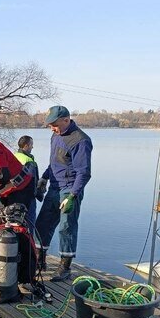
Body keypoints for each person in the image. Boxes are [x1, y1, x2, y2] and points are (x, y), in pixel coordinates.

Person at [35, 106, 93, 281]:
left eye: (54, 124)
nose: (52, 128)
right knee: (42, 225)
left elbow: (84, 173)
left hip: (69, 189)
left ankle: (65, 268)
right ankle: (39, 261)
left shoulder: (81, 141)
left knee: (66, 227)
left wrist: (73, 196)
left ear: (66, 120)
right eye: (50, 125)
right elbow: (54, 161)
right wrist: (44, 178)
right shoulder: (56, 136)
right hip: (54, 186)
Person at [14, 135, 40, 231]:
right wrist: (38, 195)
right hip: (28, 199)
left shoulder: (13, 156)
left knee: (14, 223)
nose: (32, 147)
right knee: (29, 225)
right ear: (26, 146)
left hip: (13, 197)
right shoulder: (29, 160)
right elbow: (34, 182)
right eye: (31, 145)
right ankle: (29, 244)